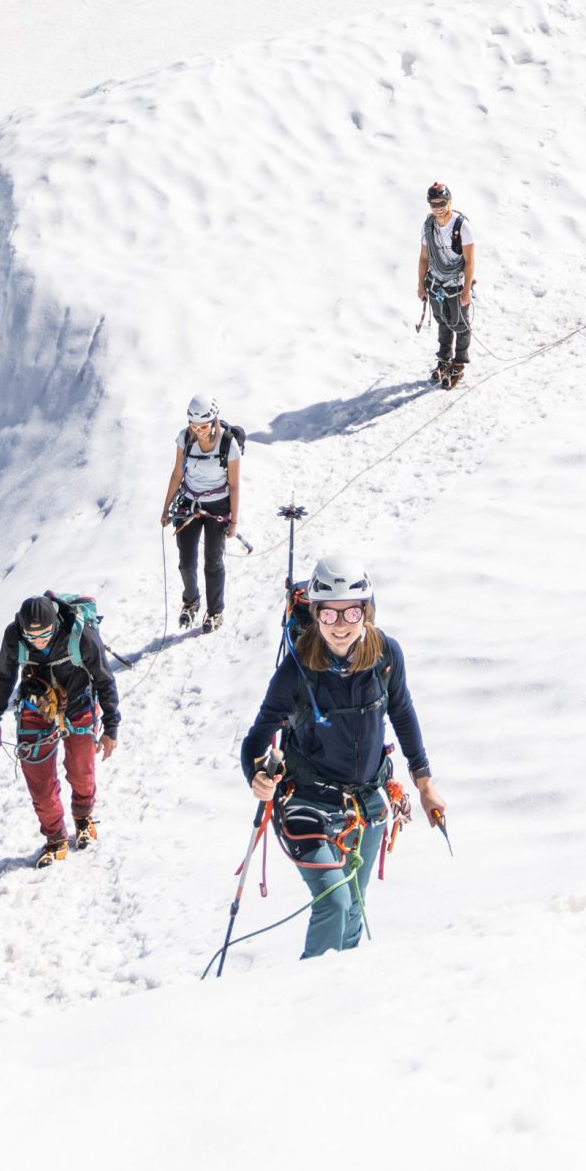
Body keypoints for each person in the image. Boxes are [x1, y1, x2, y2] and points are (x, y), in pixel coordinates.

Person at [240, 554, 443, 958]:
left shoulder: (386, 656)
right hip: (305, 802)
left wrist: (425, 783)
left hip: (367, 802)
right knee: (335, 901)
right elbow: (257, 738)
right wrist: (256, 776)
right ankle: (304, 996)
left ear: (366, 611)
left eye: (351, 612)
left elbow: (402, 712)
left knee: (354, 905)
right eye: (329, 615)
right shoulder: (297, 668)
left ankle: (339, 1002)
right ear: (315, 614)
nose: (341, 625)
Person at [0, 592, 120, 865]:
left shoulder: (80, 635)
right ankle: (56, 837)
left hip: (79, 701)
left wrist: (111, 727)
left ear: (55, 625)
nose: (37, 641)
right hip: (36, 706)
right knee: (40, 782)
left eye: (44, 634)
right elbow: (4, 674)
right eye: (31, 637)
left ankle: (83, 817)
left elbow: (103, 677)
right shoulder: (14, 637)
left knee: (81, 771)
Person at [161, 394, 244, 630]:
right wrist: (166, 508)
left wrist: (234, 521)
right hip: (188, 502)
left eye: (204, 426)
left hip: (218, 505)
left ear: (214, 421)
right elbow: (177, 473)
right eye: (194, 426)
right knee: (186, 561)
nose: (198, 431)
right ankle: (191, 602)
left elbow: (235, 484)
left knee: (213, 561)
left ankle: (215, 611)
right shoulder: (185, 438)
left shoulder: (229, 444)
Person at [417, 180, 476, 388]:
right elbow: (424, 257)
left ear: (449, 202)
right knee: (442, 320)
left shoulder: (462, 227)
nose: (438, 207)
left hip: (456, 284)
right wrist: (421, 285)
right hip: (435, 282)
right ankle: (444, 358)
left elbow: (469, 262)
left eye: (442, 202)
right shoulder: (428, 226)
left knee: (460, 324)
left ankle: (459, 362)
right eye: (434, 204)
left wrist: (467, 290)